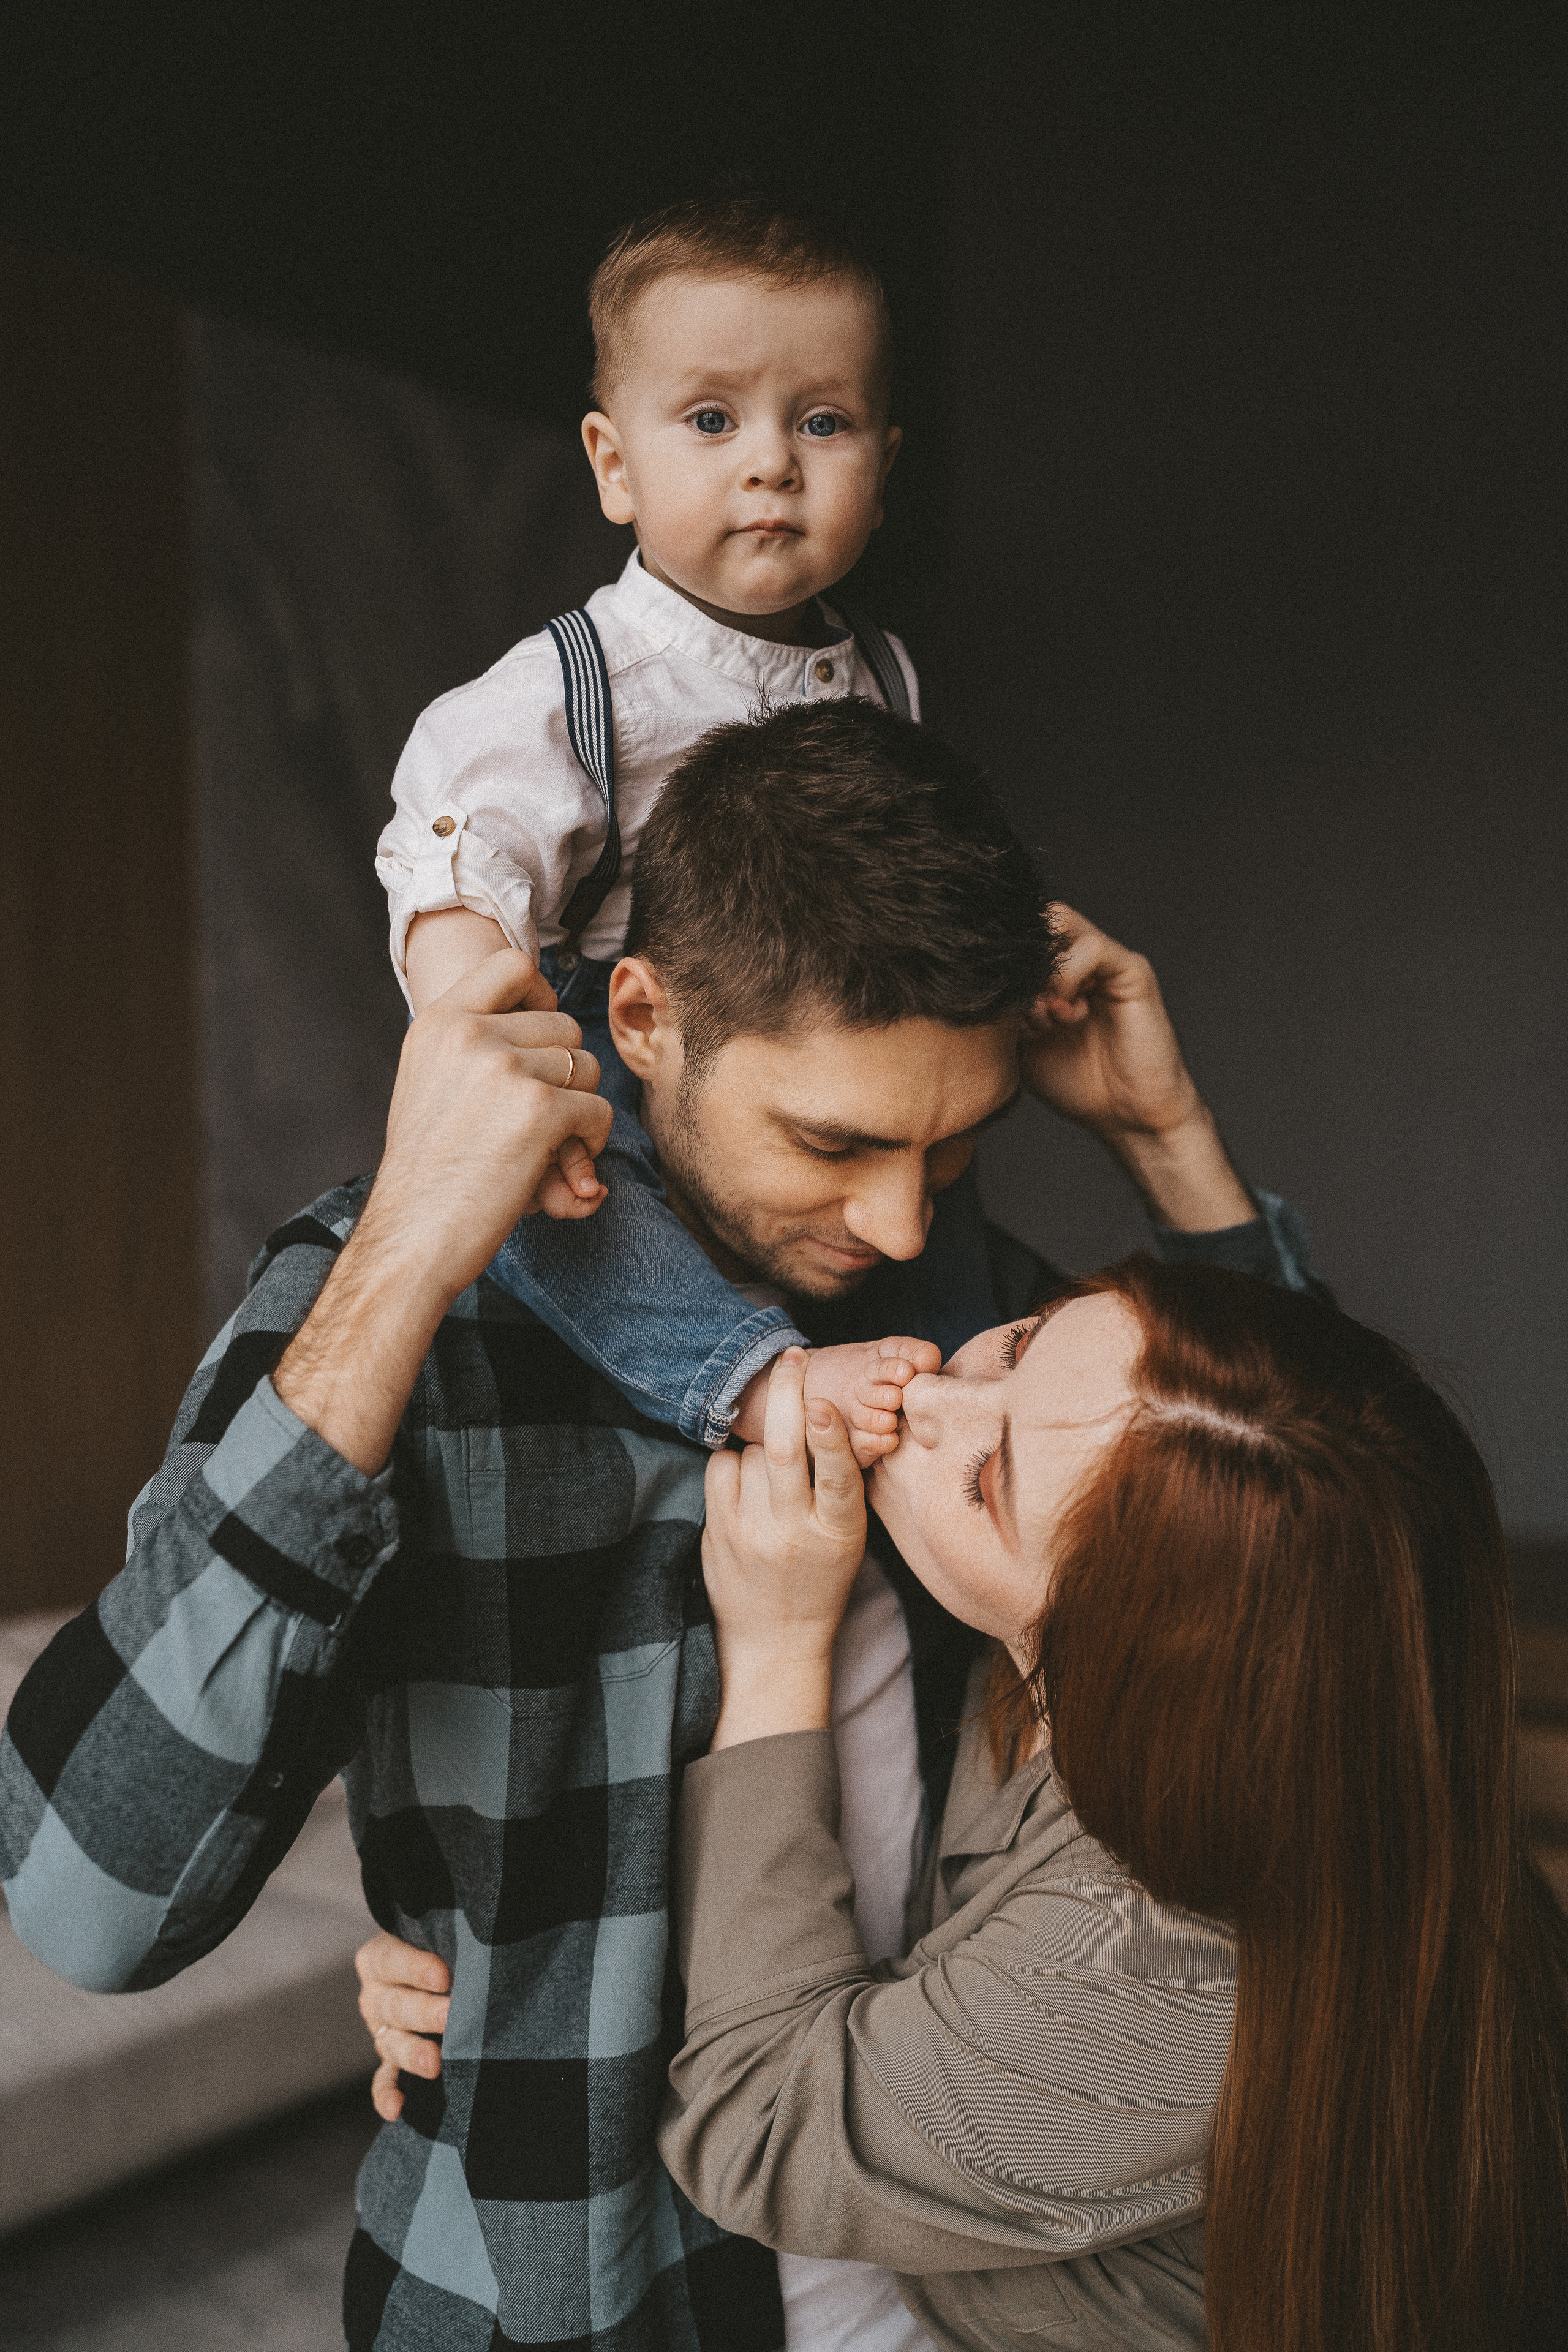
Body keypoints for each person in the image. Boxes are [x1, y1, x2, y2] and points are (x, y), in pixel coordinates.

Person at [2, 703, 1315, 2352]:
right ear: (641, 1018)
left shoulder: (956, 1315)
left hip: (947, 2277)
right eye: (832, 1142)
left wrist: (1163, 1140)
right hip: (566, 2292)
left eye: (953, 1148)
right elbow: (90, 1902)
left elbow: (1321, 1550)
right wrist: (402, 1248)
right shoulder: (410, 1321)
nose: (899, 1220)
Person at [656, 1267, 1568, 2352]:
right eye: (1021, 1342)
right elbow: (1281, 1429)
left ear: (1128, 1657)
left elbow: (762, 2127)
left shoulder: (1168, 1954)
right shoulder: (1247, 1685)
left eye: (986, 1481)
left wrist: (774, 1648)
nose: (929, 1396)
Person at [374, 189, 979, 1462]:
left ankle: (966, 1388)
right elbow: (453, 864)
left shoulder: (886, 673)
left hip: (818, 1043)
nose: (772, 464)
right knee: (560, 1213)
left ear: (883, 468)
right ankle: (750, 1383)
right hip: (609, 1040)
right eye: (712, 420)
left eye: (823, 422)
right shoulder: (575, 687)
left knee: (929, 1183)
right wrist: (495, 1048)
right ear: (614, 465)